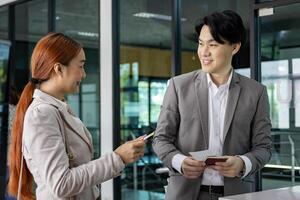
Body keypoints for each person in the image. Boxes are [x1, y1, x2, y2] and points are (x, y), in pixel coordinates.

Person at [8, 32, 145, 200]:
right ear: (58, 68)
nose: (84, 74)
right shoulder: (41, 115)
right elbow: (61, 184)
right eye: (80, 66)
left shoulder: (58, 108)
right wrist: (118, 158)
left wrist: (119, 158)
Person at [152, 10, 272, 200]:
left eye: (213, 45)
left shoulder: (256, 92)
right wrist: (180, 161)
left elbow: (264, 147)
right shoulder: (178, 86)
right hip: (185, 194)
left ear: (235, 47)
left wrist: (242, 163)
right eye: (201, 43)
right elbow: (160, 139)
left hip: (235, 194)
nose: (204, 52)